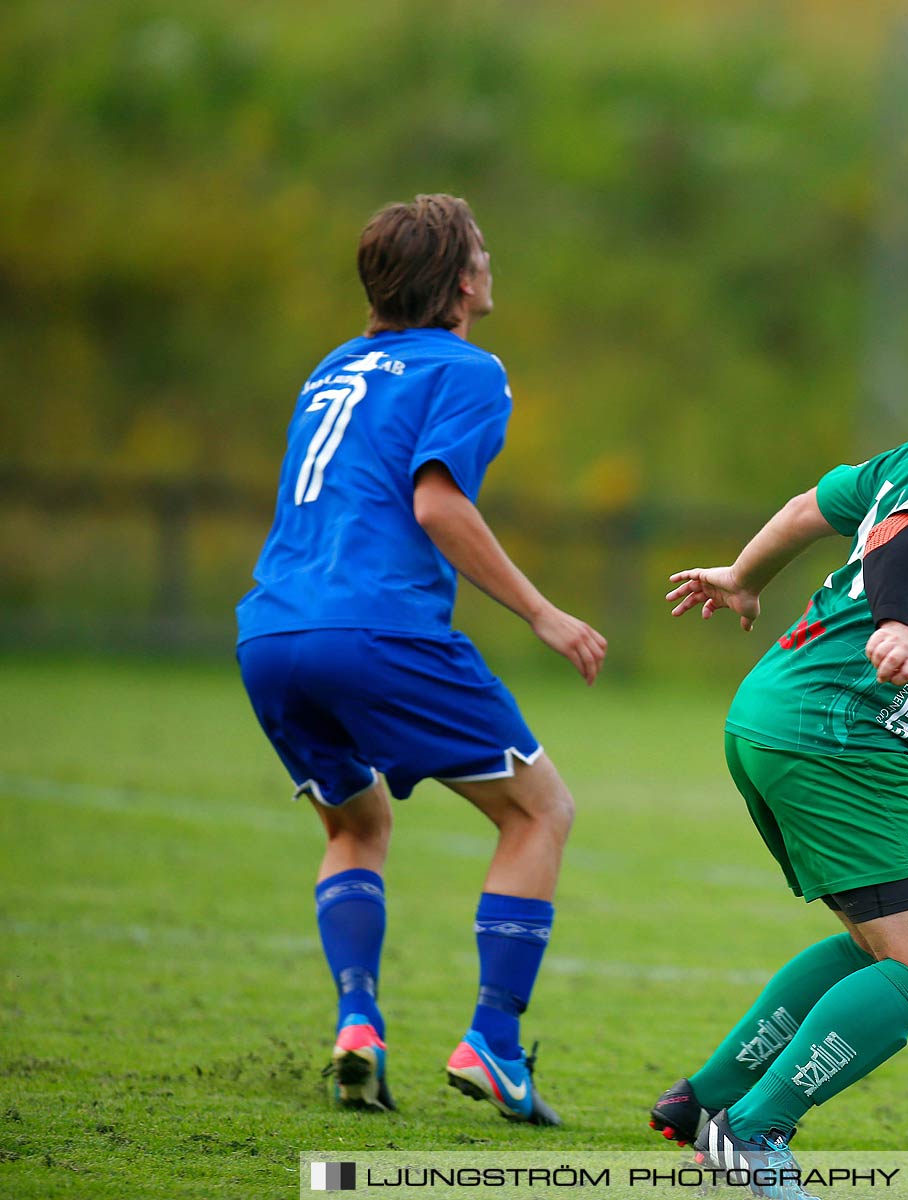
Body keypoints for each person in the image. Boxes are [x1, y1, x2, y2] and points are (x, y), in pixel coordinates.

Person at [651, 301, 908, 1196]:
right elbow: (900, 538)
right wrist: (895, 624)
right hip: (838, 729)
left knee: (886, 944)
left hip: (777, 711)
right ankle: (753, 1133)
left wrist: (742, 575)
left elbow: (813, 505)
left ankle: (708, 1101)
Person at [235, 194, 606, 1123]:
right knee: (541, 810)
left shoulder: (332, 370)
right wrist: (542, 613)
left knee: (355, 827)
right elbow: (437, 506)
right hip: (379, 632)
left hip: (271, 634)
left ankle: (358, 1021)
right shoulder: (470, 369)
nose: (491, 264)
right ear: (460, 281)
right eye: (482, 251)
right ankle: (494, 1041)